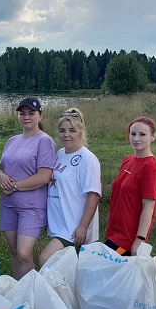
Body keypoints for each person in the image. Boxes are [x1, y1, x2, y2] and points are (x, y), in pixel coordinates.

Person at [0, 97, 56, 279]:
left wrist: (14, 186)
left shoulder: (45, 141)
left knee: (24, 252)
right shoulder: (12, 140)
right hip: (8, 205)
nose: (26, 117)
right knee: (14, 250)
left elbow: (43, 177)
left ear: (40, 116)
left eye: (31, 113)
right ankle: (18, 292)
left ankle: (33, 293)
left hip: (31, 206)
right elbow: (1, 168)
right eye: (23, 113)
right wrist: (1, 176)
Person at [38, 108, 102, 267]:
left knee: (45, 259)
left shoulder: (87, 159)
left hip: (73, 227)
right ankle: (63, 292)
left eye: (72, 130)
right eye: (62, 131)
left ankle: (52, 291)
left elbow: (93, 196)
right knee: (66, 269)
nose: (66, 135)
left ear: (81, 132)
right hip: (60, 223)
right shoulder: (59, 154)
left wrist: (83, 227)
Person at [104, 116, 156, 256]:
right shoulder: (128, 160)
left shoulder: (151, 167)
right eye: (133, 134)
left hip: (128, 240)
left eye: (142, 134)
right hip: (114, 232)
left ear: (153, 136)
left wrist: (140, 239)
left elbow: (148, 208)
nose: (136, 138)